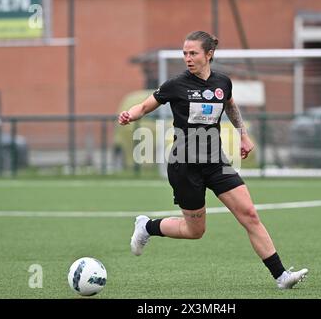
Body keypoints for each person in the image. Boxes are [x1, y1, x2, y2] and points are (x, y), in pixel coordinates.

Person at [118, 31, 308, 289]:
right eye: (184, 53)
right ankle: (148, 226)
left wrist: (243, 135)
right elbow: (145, 106)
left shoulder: (222, 82)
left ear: (209, 54)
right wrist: (130, 114)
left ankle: (281, 276)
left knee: (250, 215)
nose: (187, 58)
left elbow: (229, 104)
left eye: (193, 53)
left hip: (216, 162)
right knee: (195, 231)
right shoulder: (176, 85)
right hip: (184, 166)